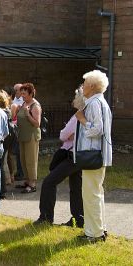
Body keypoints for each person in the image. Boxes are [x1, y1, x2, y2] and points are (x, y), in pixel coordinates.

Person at [33, 87, 85, 227]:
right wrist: (71, 136)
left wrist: (69, 135)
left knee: (49, 182)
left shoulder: (77, 116)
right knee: (76, 187)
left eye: (75, 97)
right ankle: (78, 219)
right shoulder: (85, 114)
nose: (73, 100)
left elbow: (62, 135)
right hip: (80, 155)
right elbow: (69, 135)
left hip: (72, 155)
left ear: (80, 99)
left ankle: (45, 217)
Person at [75, 70, 112, 242]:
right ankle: (99, 229)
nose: (82, 87)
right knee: (95, 193)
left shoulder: (95, 103)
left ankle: (93, 234)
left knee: (90, 195)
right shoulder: (98, 101)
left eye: (84, 83)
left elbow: (98, 129)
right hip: (97, 154)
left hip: (92, 155)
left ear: (91, 86)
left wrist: (82, 119)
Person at [15, 83, 42, 193]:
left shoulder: (35, 106)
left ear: (31, 93)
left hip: (31, 136)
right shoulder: (23, 104)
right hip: (22, 135)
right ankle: (27, 181)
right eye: (21, 93)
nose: (22, 95)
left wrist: (27, 114)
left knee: (31, 160)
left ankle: (32, 184)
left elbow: (37, 124)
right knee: (23, 160)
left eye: (24, 93)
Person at [10, 83, 24, 181]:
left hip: (20, 128)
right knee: (13, 152)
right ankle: (15, 172)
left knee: (19, 152)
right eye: (15, 90)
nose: (16, 92)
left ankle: (21, 172)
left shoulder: (24, 100)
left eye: (17, 90)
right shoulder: (12, 99)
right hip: (13, 128)